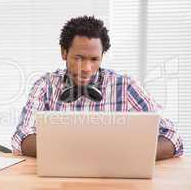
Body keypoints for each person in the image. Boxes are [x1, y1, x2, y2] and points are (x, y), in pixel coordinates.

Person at [11, 15, 183, 160]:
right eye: (79, 58)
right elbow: (23, 137)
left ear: (102, 56)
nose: (86, 68)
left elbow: (172, 137)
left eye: (94, 59)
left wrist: (125, 155)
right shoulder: (45, 86)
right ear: (64, 52)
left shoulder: (125, 87)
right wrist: (84, 154)